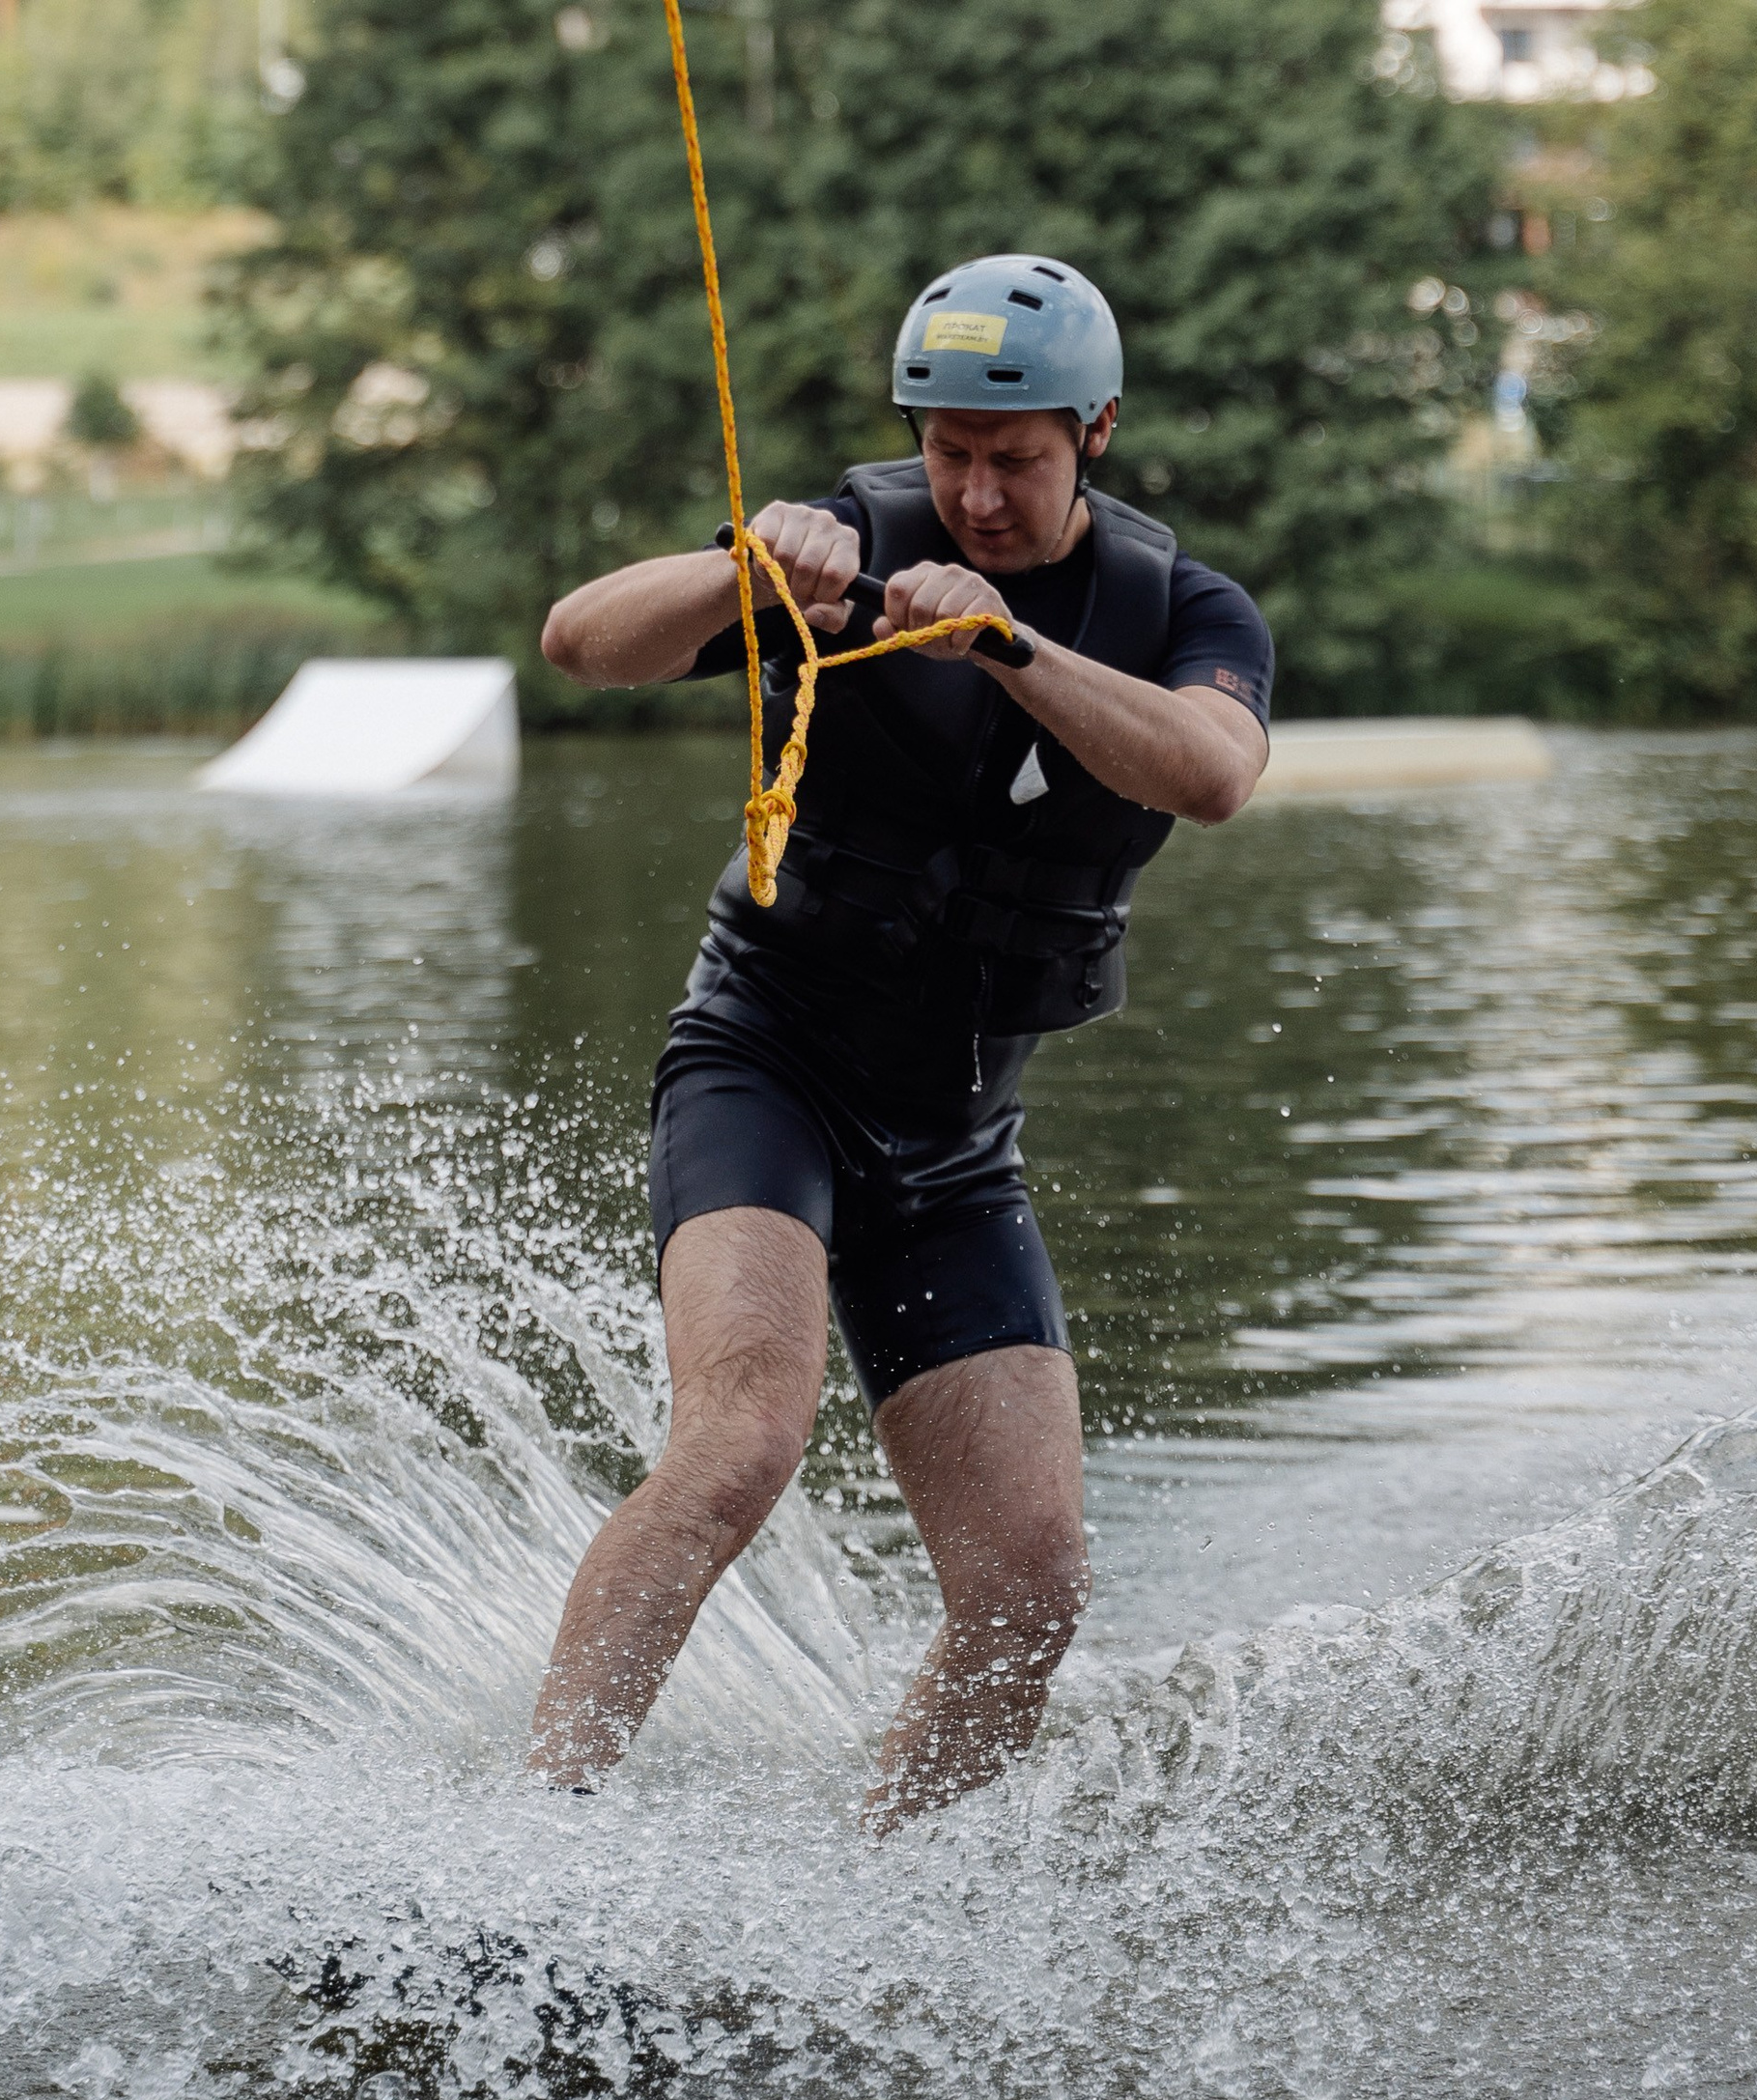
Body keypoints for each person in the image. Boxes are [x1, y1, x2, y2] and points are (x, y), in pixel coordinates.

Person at [528, 253, 1272, 1820]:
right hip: (765, 1074)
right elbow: (579, 645)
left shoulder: (1183, 612)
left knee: (1031, 1591)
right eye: (950, 455)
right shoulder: (845, 550)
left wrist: (1007, 646)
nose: (980, 494)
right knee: (739, 1446)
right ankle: (533, 1837)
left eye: (1018, 461)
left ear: (1099, 434)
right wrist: (744, 568)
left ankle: (880, 1890)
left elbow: (1209, 774)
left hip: (953, 1145)